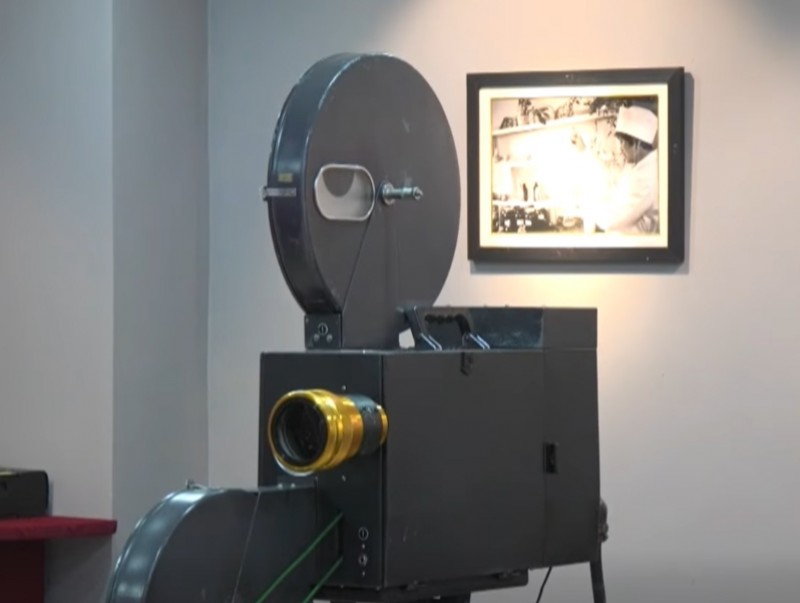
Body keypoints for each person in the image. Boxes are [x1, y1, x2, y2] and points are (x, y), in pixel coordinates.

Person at [572, 103, 660, 234]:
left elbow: (610, 220)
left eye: (623, 143)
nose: (621, 148)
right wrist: (584, 151)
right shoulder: (637, 163)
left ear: (637, 144)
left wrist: (585, 204)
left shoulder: (647, 177)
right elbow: (614, 190)